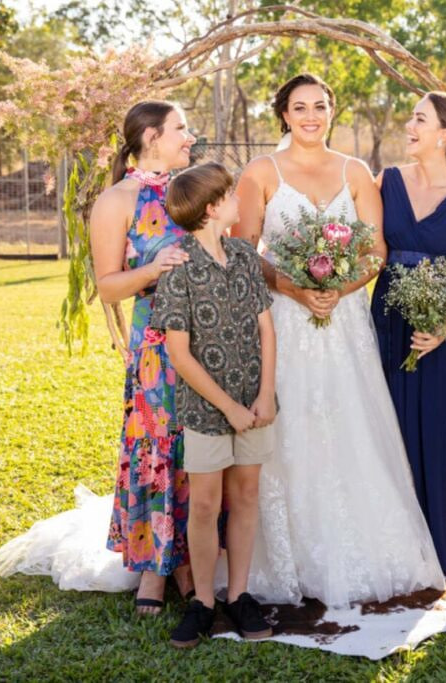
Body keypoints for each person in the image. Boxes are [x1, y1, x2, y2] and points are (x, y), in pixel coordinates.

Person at [233, 73, 445, 607]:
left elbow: (375, 252)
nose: (311, 115)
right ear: (283, 114)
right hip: (281, 319)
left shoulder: (356, 172)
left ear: (333, 110)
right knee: (292, 425)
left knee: (350, 422)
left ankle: (368, 547)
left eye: (320, 106)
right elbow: (243, 252)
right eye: (300, 107)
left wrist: (334, 289)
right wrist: (295, 289)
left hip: (344, 320)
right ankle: (287, 558)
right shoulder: (261, 171)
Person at [151, 163, 276, 646]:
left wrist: (264, 394)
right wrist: (229, 407)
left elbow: (266, 328)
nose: (238, 200)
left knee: (245, 498)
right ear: (211, 209)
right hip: (208, 410)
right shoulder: (178, 268)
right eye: (230, 194)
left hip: (256, 402)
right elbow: (179, 355)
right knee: (205, 505)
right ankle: (203, 601)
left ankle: (238, 595)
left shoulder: (245, 255)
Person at [369, 91, 446, 577]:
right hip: (386, 317)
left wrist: (444, 327)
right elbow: (371, 249)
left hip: (440, 326)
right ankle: (386, 540)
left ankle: (436, 545)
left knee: (434, 428)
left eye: (420, 119)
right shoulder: (387, 181)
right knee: (384, 424)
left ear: (444, 134)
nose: (409, 126)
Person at [91, 100, 196, 614]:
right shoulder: (117, 200)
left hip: (206, 343)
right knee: (157, 445)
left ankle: (191, 561)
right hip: (155, 346)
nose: (190, 137)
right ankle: (153, 567)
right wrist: (154, 269)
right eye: (181, 128)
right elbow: (108, 286)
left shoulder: (190, 190)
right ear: (152, 136)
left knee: (198, 450)